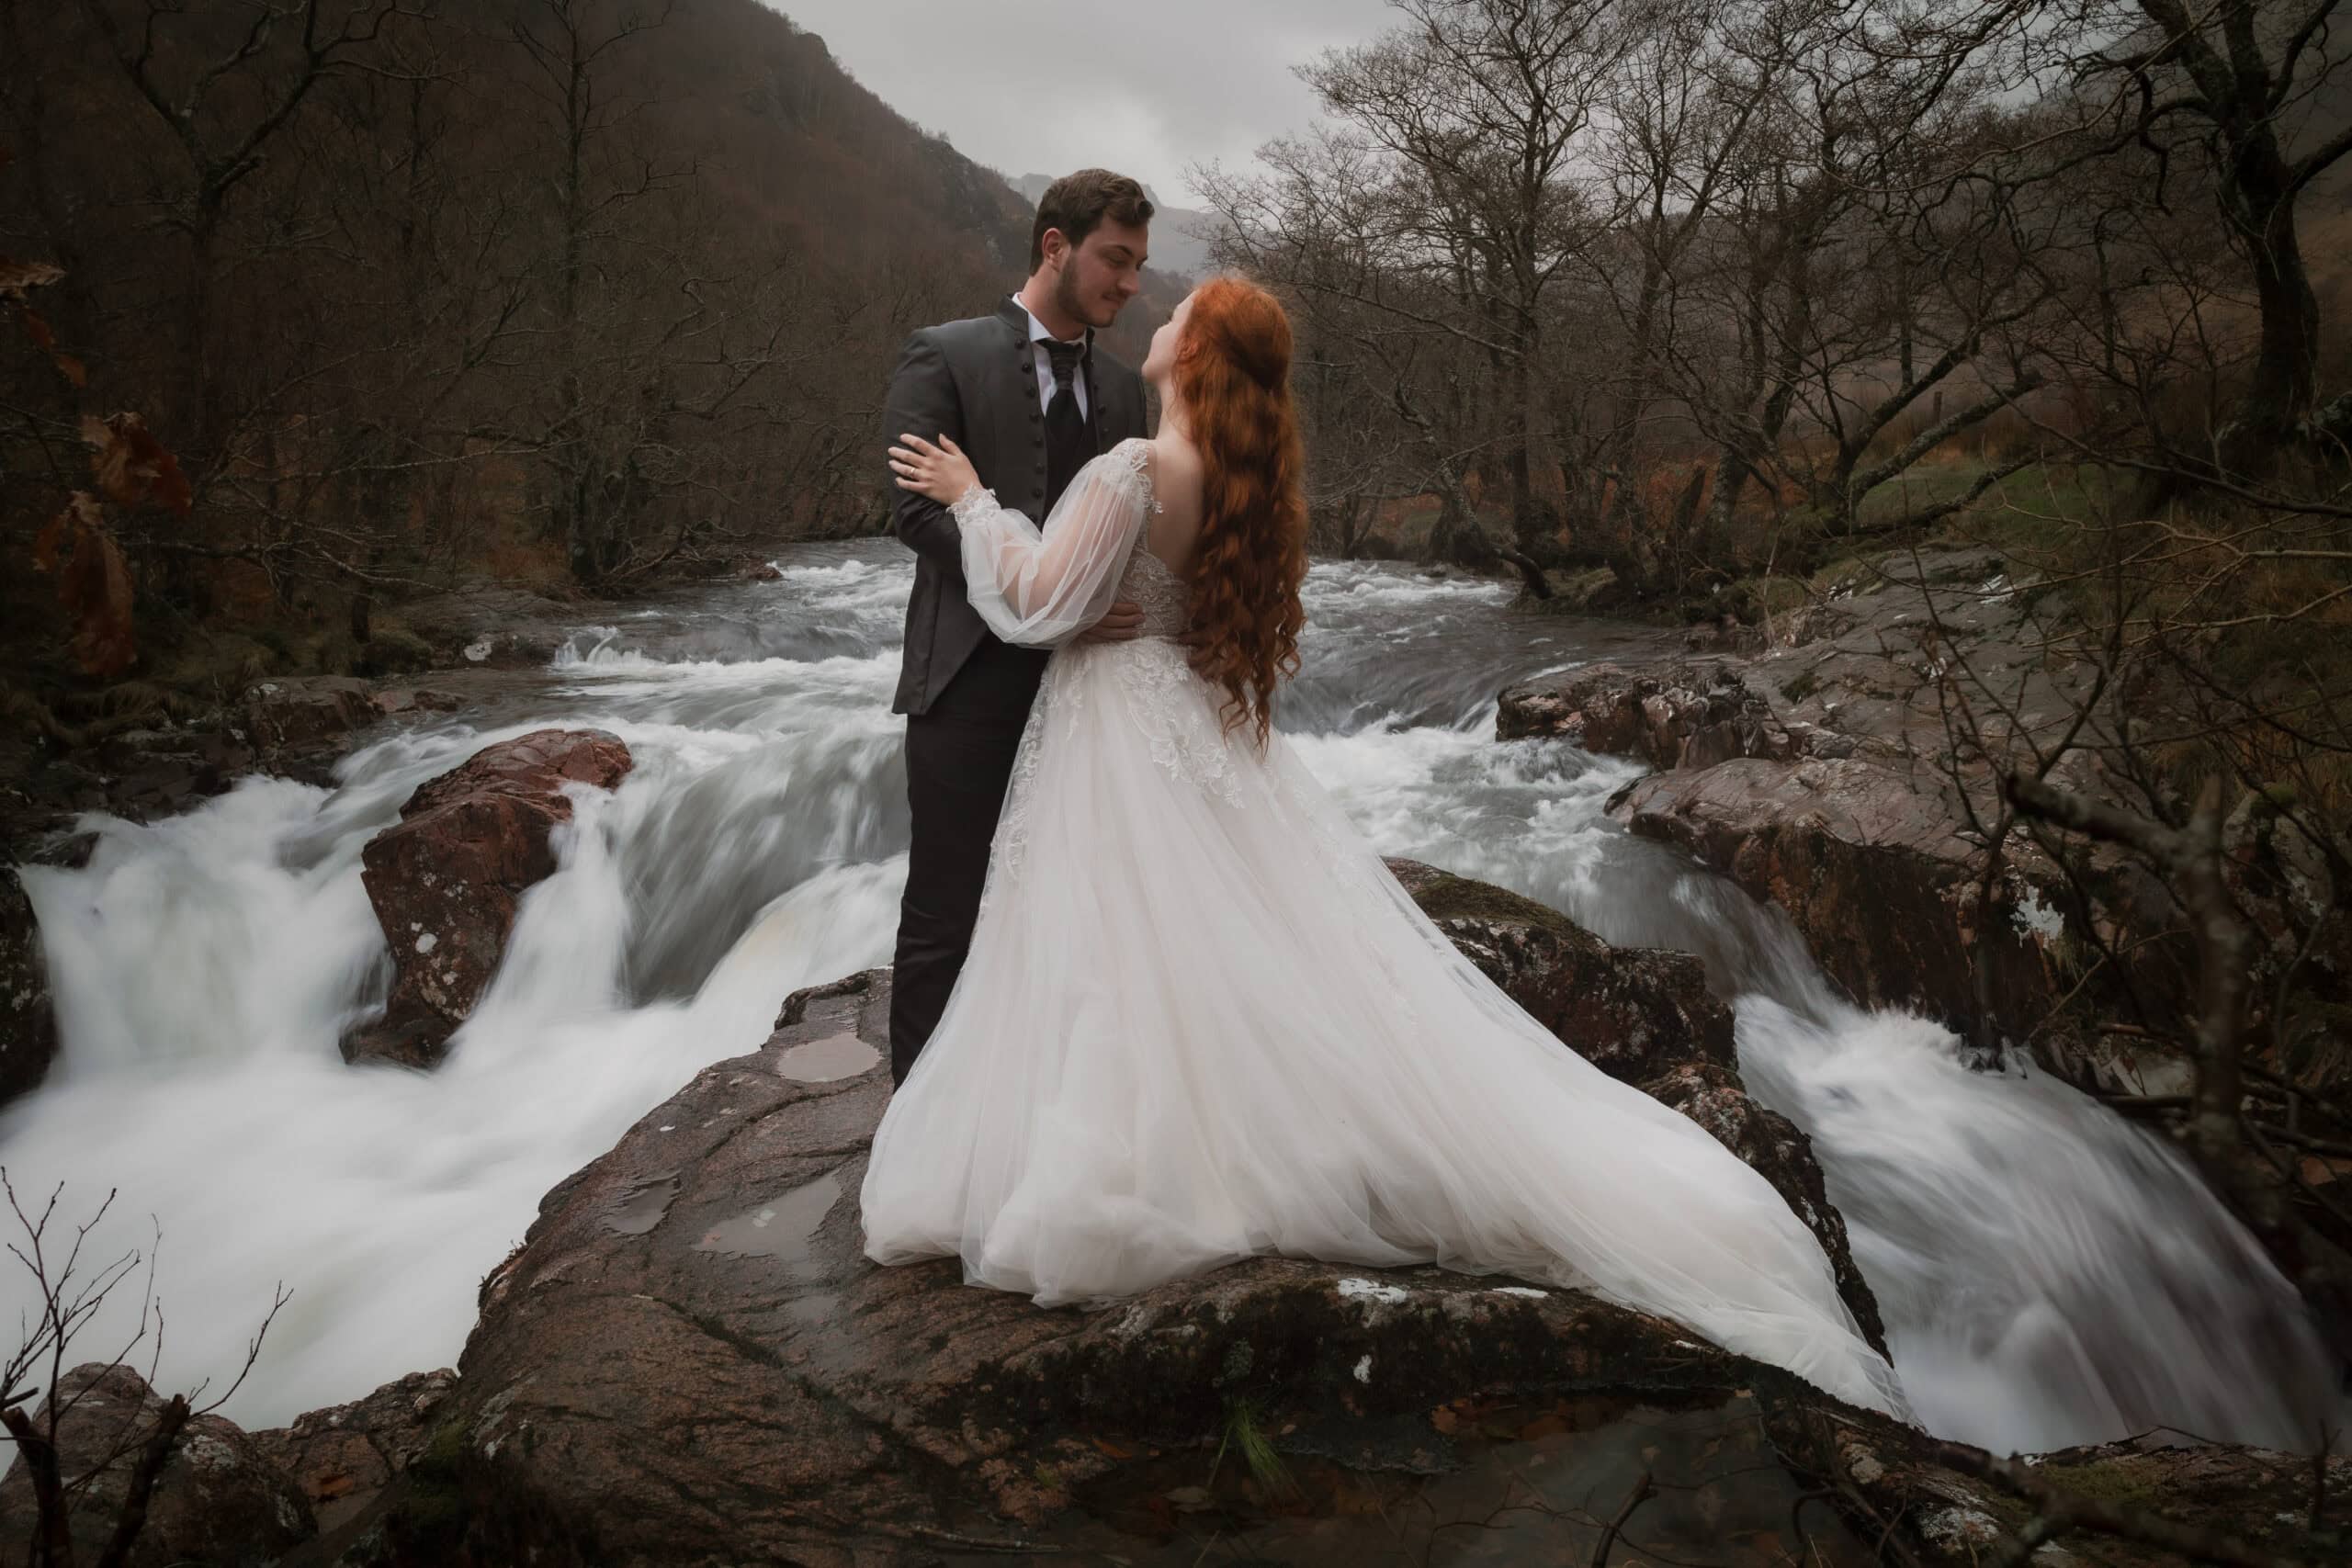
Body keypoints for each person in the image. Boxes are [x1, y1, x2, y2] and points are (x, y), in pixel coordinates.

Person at [865, 276, 1909, 1419]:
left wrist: (971, 498)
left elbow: (1031, 596)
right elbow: (1124, 602)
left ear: (1196, 350)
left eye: (1179, 314)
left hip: (1120, 729)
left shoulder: (1133, 466)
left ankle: (1135, 1164)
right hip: (1186, 725)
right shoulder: (1241, 483)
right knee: (1204, 939)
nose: (1154, 319)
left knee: (1117, 940)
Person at [882, 169, 1156, 1086]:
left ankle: (1032, 1105)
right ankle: (917, 1120)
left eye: (1138, 265)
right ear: (1054, 246)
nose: (1129, 284)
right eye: (1115, 260)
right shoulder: (944, 354)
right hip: (965, 675)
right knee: (944, 905)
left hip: (1088, 685)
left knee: (1072, 901)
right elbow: (913, 512)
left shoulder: (1124, 391)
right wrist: (1046, 595)